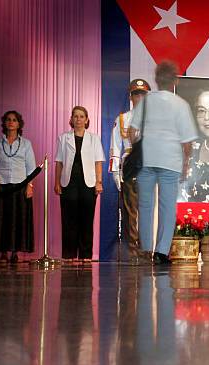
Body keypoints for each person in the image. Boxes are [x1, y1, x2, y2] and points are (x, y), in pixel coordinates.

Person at [128, 61, 198, 265]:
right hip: (171, 161)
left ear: (156, 80)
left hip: (147, 159)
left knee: (146, 205)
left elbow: (132, 130)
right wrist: (186, 164)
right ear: (175, 80)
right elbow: (187, 142)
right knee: (168, 207)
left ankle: (146, 249)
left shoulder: (146, 101)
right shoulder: (181, 104)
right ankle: (161, 252)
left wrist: (137, 147)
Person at [55, 106, 105, 262]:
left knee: (86, 219)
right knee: (69, 220)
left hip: (88, 183)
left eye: (81, 116)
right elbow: (59, 162)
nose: (78, 119)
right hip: (69, 182)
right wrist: (57, 182)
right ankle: (69, 254)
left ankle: (85, 255)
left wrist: (98, 182)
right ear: (71, 119)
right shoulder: (63, 138)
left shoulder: (94, 138)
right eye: (75, 116)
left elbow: (98, 162)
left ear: (87, 119)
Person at [109, 78, 151, 260]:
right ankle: (133, 249)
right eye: (136, 94)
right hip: (130, 166)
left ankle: (148, 247)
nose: (139, 97)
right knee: (130, 210)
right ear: (131, 97)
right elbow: (115, 146)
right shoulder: (123, 119)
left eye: (143, 94)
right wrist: (116, 173)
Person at [0, 111, 36, 262]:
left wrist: (30, 186)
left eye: (14, 120)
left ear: (19, 124)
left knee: (17, 220)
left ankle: (14, 252)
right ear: (4, 123)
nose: (11, 122)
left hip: (20, 186)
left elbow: (31, 167)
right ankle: (2, 251)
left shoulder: (26, 144)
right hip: (0, 186)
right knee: (1, 219)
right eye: (8, 120)